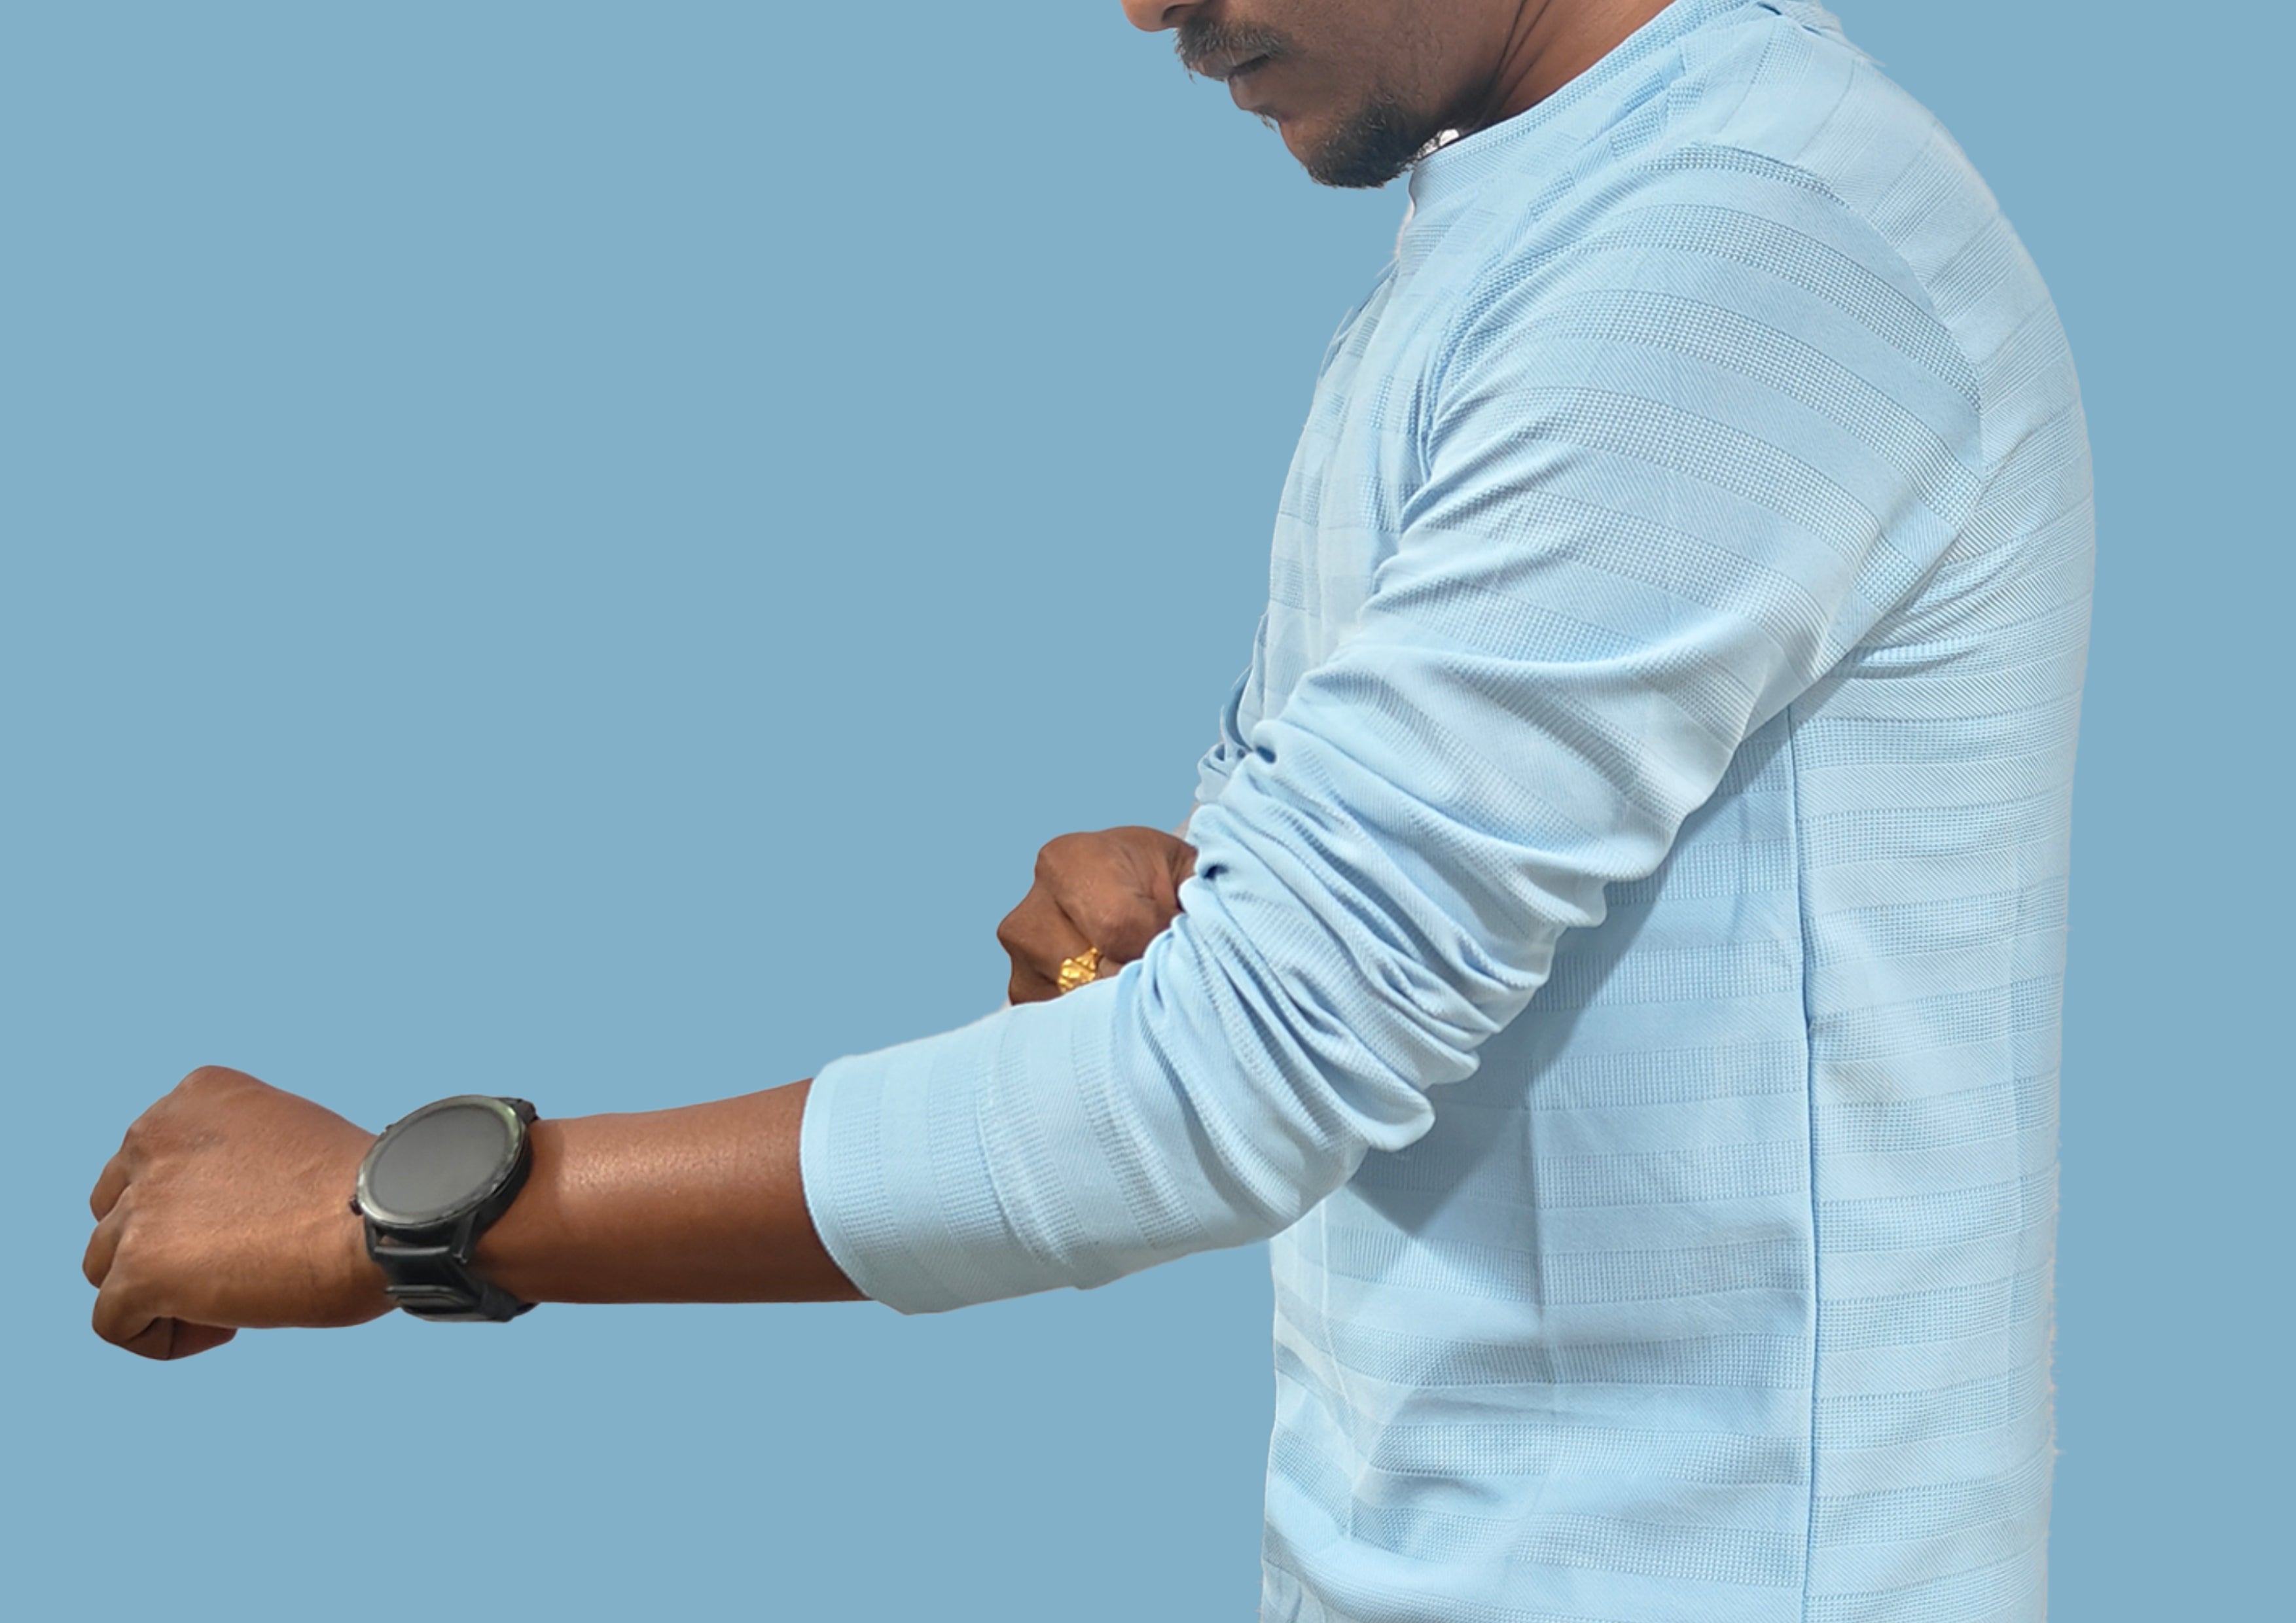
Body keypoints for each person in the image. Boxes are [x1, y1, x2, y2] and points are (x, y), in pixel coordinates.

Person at [81, 2, 2091, 1618]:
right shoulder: (1550, 218)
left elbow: (1233, 1086)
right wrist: (1227, 904)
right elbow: (1383, 964)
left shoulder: (1728, 255)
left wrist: (405, 1213)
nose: (1148, 7)